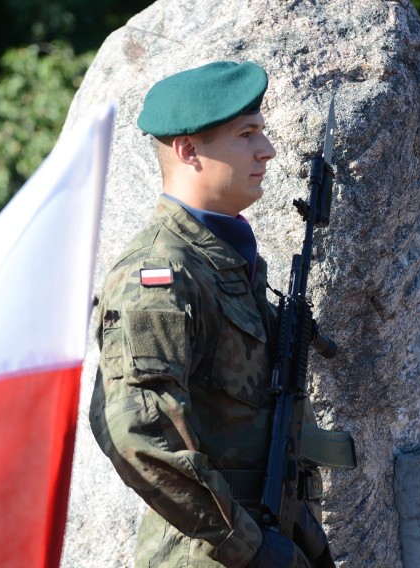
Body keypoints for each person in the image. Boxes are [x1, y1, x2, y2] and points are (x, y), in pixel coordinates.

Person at [90, 61, 333, 567]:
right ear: (187, 149)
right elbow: (138, 435)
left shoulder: (226, 261)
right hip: (214, 553)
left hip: (272, 531)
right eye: (247, 135)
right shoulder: (160, 272)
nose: (266, 150)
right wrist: (250, 546)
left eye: (261, 133)